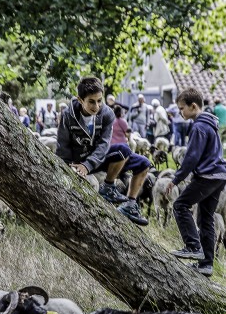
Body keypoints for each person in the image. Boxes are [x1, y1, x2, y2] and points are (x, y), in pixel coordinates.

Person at [57, 76, 151, 225]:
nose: (97, 106)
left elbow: (104, 145)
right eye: (91, 101)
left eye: (100, 100)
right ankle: (108, 187)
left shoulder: (107, 114)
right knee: (124, 149)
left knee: (143, 162)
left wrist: (89, 164)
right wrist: (67, 166)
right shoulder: (68, 115)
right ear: (80, 100)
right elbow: (63, 144)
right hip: (80, 161)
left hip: (97, 159)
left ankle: (129, 204)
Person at [166, 87, 226, 277]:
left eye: (182, 108)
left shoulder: (199, 127)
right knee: (205, 218)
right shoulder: (210, 124)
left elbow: (191, 157)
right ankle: (206, 264)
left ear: (193, 106)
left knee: (180, 205)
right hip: (219, 176)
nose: (180, 112)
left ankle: (193, 246)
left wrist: (175, 180)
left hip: (207, 177)